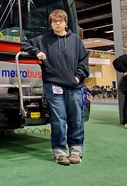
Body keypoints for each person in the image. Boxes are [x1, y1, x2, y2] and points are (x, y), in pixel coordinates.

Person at [21, 9, 89, 166]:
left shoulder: (76, 40)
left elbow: (84, 62)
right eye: (54, 21)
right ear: (51, 24)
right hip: (53, 86)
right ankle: (59, 152)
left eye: (60, 21)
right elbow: (23, 45)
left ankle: (76, 150)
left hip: (74, 86)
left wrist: (77, 77)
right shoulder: (42, 40)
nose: (57, 23)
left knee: (76, 119)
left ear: (65, 22)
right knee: (58, 120)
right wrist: (36, 51)